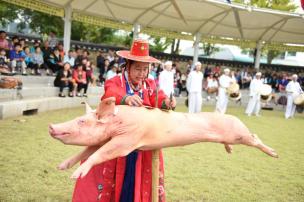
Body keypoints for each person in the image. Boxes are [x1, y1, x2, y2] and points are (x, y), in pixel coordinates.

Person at [72, 39, 176, 202]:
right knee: (118, 179)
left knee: (141, 177)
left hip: (142, 143)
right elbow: (109, 94)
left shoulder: (149, 84)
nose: (141, 73)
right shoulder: (116, 82)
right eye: (137, 69)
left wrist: (167, 103)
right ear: (127, 66)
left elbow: (159, 97)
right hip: (118, 142)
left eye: (144, 69)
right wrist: (125, 98)